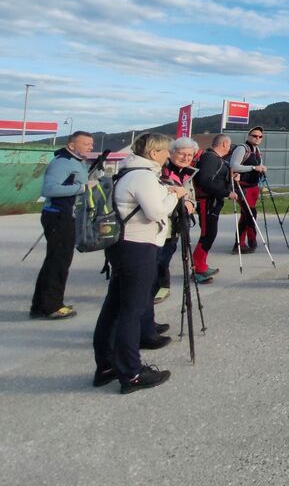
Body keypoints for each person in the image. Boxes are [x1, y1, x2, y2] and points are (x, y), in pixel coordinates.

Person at [93, 133, 182, 393]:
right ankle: (131, 372)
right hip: (138, 246)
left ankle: (107, 365)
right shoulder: (143, 176)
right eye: (165, 151)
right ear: (154, 153)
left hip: (123, 245)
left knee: (114, 308)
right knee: (132, 310)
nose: (168, 155)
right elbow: (156, 212)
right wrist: (175, 195)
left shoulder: (128, 172)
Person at [30, 130, 95, 320]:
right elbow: (49, 189)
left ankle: (42, 304)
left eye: (91, 144)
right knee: (58, 261)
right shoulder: (62, 162)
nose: (90, 147)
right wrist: (83, 188)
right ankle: (51, 306)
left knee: (57, 261)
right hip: (58, 216)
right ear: (72, 145)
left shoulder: (77, 162)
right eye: (86, 144)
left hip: (66, 216)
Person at [154, 137, 199, 304]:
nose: (186, 158)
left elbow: (191, 196)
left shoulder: (188, 173)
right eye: (182, 154)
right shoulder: (161, 171)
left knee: (165, 256)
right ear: (171, 153)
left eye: (190, 155)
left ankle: (161, 286)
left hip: (178, 222)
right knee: (158, 257)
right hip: (161, 221)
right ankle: (158, 286)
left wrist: (191, 204)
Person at [192, 134, 235, 284]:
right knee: (207, 234)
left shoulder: (215, 158)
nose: (229, 148)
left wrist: (230, 178)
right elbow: (204, 181)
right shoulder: (210, 158)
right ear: (224, 144)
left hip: (213, 201)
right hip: (207, 202)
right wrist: (226, 192)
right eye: (229, 145)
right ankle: (197, 269)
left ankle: (201, 265)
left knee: (210, 233)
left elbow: (216, 178)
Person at [229, 126, 268, 253]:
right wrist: (253, 168)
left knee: (246, 214)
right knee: (250, 213)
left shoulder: (257, 150)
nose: (257, 138)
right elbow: (233, 166)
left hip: (253, 186)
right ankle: (247, 241)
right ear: (248, 136)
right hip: (242, 187)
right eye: (254, 136)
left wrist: (261, 168)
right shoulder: (242, 148)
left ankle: (242, 243)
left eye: (260, 136)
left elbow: (257, 166)